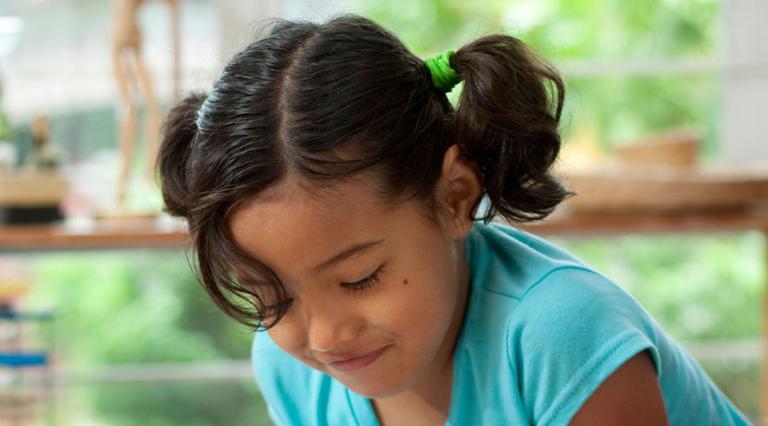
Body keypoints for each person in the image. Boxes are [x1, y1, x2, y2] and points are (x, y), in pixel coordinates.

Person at [156, 14, 751, 426]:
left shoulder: (563, 336)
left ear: (456, 196)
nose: (322, 336)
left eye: (360, 278)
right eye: (271, 298)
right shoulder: (290, 367)